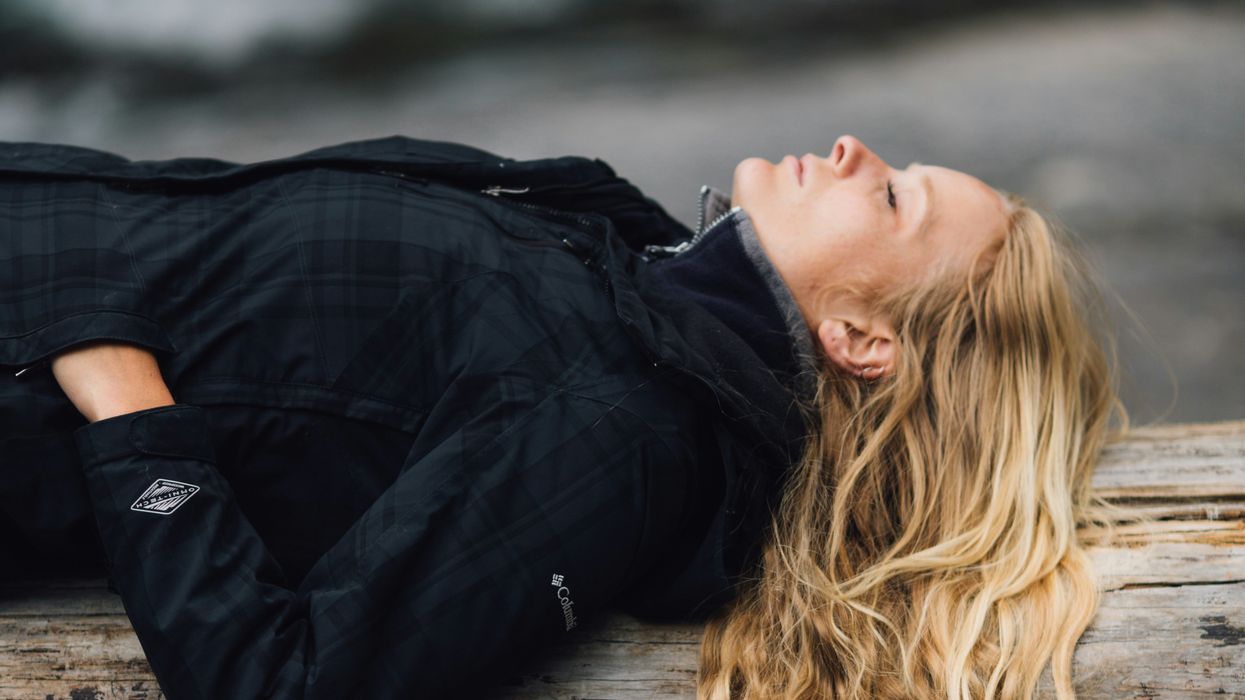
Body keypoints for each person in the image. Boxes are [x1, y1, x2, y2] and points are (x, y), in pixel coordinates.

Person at [0, 134, 1131, 699]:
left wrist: (119, 391)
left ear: (862, 340)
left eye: (891, 196)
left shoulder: (631, 432)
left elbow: (283, 679)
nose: (852, 149)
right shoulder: (632, 270)